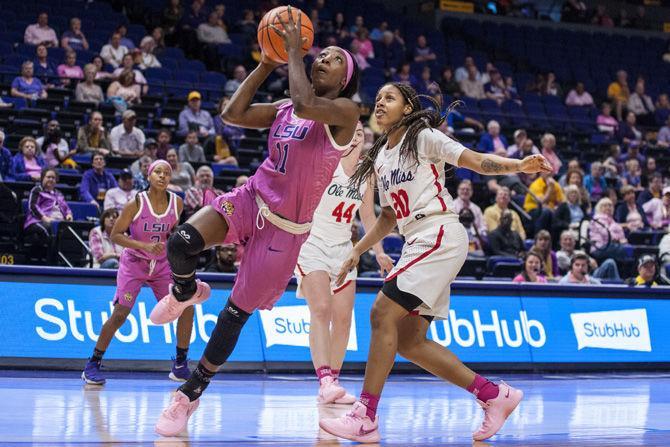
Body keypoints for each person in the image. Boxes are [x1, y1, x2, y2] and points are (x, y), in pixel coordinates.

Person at [150, 11, 362, 436]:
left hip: (286, 232)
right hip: (253, 198)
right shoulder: (286, 107)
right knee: (181, 242)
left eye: (333, 58)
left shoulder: (345, 112)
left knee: (234, 314)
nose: (323, 59)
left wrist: (296, 54)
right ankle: (186, 291)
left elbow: (306, 103)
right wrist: (267, 62)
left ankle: (188, 394)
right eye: (322, 54)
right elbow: (231, 113)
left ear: (344, 80)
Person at [319, 81, 551, 443]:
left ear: (408, 108)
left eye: (389, 98)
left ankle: (365, 415)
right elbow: (389, 217)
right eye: (377, 99)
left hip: (439, 233)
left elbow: (475, 161)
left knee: (381, 314)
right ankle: (494, 396)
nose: (380, 104)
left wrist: (518, 164)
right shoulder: (381, 157)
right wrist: (357, 249)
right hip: (417, 241)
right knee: (410, 341)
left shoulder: (423, 136)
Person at [294, 121, 394, 405]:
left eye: (360, 133)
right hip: (311, 243)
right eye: (350, 132)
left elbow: (368, 217)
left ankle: (333, 383)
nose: (355, 137)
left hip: (343, 249)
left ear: (365, 140)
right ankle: (324, 380)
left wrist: (379, 252)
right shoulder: (325, 165)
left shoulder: (366, 174)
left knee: (343, 320)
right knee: (321, 309)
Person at [81, 160, 192, 385]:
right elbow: (115, 235)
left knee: (186, 307)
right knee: (121, 313)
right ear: (149, 176)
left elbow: (171, 231)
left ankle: (180, 364)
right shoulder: (136, 203)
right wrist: (144, 246)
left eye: (167, 173)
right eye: (157, 172)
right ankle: (92, 364)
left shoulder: (177, 203)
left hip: (161, 265)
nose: (162, 176)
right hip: (135, 263)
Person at [23, 168, 73, 261]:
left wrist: (69, 215)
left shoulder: (58, 193)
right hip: (37, 221)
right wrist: (44, 217)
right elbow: (33, 206)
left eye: (53, 178)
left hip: (58, 221)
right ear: (42, 178)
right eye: (48, 177)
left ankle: (67, 260)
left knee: (72, 231)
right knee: (50, 231)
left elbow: (66, 207)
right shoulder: (37, 190)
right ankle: (51, 263)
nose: (51, 179)